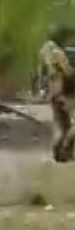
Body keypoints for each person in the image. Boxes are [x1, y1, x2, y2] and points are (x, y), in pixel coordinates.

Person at [40, 24, 75, 162]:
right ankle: (65, 148)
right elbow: (68, 73)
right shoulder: (59, 54)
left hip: (55, 94)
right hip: (66, 94)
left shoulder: (48, 54)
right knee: (68, 127)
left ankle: (60, 153)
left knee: (62, 126)